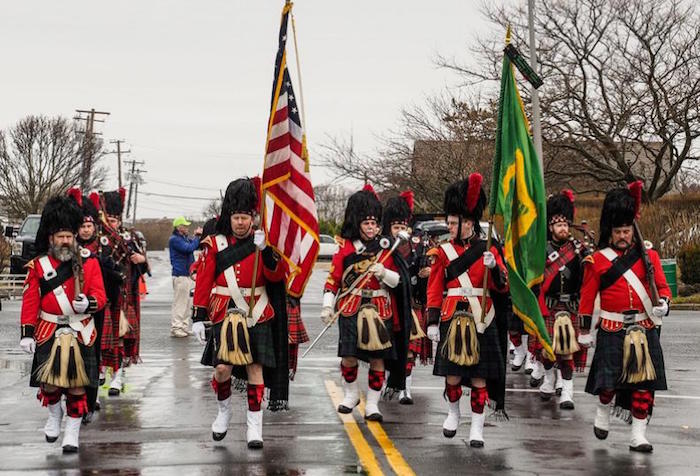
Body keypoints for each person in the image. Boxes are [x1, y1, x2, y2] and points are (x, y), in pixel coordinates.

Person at [191, 178, 289, 449]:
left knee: (255, 368)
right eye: (236, 217)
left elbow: (277, 275)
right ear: (229, 217)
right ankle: (224, 411)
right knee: (222, 369)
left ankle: (254, 427)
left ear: (253, 217)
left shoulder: (263, 242)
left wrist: (266, 252)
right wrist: (198, 316)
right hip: (225, 313)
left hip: (258, 312)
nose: (241, 222)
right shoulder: (215, 243)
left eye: (245, 217)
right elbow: (204, 281)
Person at [581, 182, 670, 453]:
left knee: (644, 387)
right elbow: (586, 298)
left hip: (643, 329)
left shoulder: (649, 256)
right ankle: (602, 412)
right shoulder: (596, 261)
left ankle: (638, 435)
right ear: (610, 232)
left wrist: (663, 304)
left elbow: (664, 289)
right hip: (612, 327)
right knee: (609, 385)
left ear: (633, 231)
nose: (623, 236)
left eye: (627, 231)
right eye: (618, 231)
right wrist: (584, 330)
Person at [425, 173, 508, 447]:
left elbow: (504, 288)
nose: (448, 227)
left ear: (468, 222)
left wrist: (495, 268)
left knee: (479, 378)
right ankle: (452, 413)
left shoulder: (490, 249)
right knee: (453, 375)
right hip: (452, 316)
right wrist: (433, 322)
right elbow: (435, 289)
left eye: (452, 223)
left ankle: (477, 428)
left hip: (482, 317)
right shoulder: (442, 251)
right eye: (448, 222)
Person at [19, 195, 106, 452]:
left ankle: (72, 432)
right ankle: (55, 415)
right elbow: (30, 302)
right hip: (49, 329)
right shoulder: (38, 266)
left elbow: (101, 297)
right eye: (61, 236)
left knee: (78, 386)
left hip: (80, 330)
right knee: (50, 384)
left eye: (69, 236)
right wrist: (27, 333)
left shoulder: (89, 262)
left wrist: (87, 303)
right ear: (51, 238)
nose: (66, 241)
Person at [322, 185, 408, 422]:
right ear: (357, 223)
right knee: (348, 357)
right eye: (367, 223)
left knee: (377, 359)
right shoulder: (346, 248)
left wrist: (383, 273)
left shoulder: (387, 247)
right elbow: (333, 280)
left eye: (374, 224)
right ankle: (350, 395)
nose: (371, 228)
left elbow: (398, 282)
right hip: (351, 306)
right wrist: (327, 305)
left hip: (381, 308)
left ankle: (372, 403)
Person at [536, 190, 591, 409]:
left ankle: (567, 391)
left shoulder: (578, 249)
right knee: (548, 350)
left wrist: (588, 256)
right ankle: (549, 379)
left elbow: (588, 277)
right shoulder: (542, 250)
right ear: (551, 227)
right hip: (549, 305)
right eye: (559, 225)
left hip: (570, 306)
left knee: (567, 351)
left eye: (566, 225)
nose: (564, 229)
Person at [98, 188, 148, 397]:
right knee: (99, 339)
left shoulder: (130, 237)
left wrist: (141, 260)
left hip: (124, 294)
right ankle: (100, 371)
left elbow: (143, 267)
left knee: (120, 340)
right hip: (102, 295)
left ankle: (118, 377)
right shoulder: (97, 237)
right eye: (109, 218)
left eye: (116, 219)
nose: (113, 222)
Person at [382, 191, 425, 405]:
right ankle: (386, 382)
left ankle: (406, 389)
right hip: (389, 305)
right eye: (396, 227)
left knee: (410, 351)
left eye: (403, 227)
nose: (400, 231)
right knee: (386, 349)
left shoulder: (418, 247)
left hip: (412, 304)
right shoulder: (383, 248)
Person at [168, 216, 202, 337]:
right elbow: (189, 248)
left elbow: (194, 245)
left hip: (187, 275)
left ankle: (183, 326)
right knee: (180, 303)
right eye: (185, 226)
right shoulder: (175, 239)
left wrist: (195, 238)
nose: (187, 228)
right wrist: (197, 237)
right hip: (180, 275)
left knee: (188, 303)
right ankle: (176, 327)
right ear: (179, 227)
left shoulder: (183, 238)